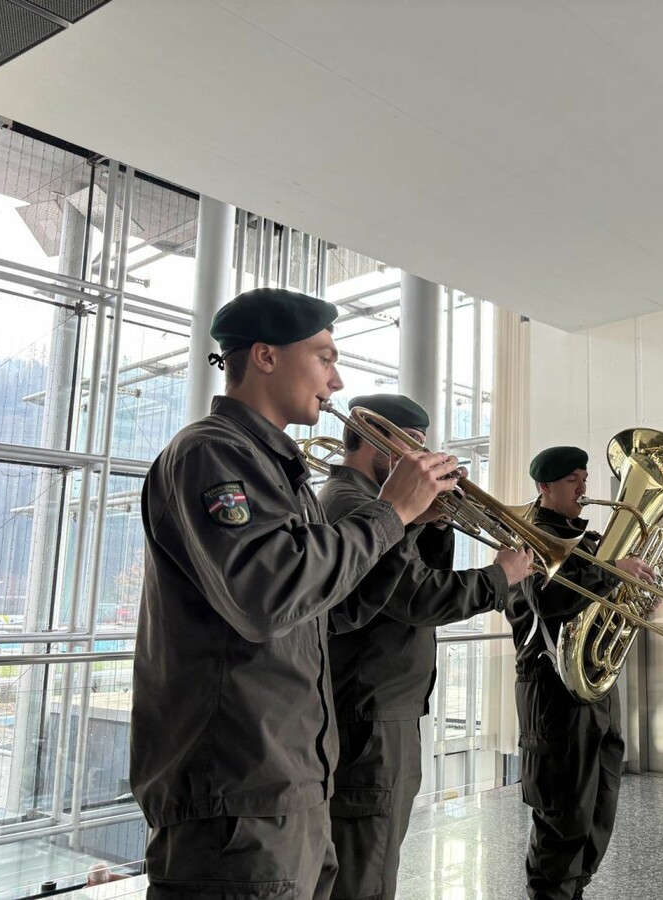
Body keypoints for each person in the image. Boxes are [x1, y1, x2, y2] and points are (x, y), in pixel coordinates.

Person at [130, 288, 461, 899]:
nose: (335, 381)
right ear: (265, 356)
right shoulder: (211, 453)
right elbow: (265, 593)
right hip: (237, 795)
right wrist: (388, 516)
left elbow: (328, 613)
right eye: (325, 357)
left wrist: (411, 524)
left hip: (291, 783)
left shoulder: (279, 471)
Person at [318, 393, 533, 900]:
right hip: (369, 710)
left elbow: (416, 578)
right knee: (364, 872)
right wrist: (500, 576)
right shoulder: (354, 503)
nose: (422, 457)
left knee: (373, 858)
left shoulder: (373, 505)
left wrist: (427, 522)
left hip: (380, 704)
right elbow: (419, 598)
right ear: (375, 440)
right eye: (411, 445)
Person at [505, 446, 655, 900]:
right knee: (562, 821)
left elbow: (602, 606)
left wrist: (636, 594)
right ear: (545, 487)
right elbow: (551, 603)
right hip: (551, 694)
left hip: (595, 693)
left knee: (596, 816)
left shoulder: (589, 543)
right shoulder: (526, 540)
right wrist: (612, 572)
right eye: (573, 480)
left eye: (585, 478)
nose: (584, 488)